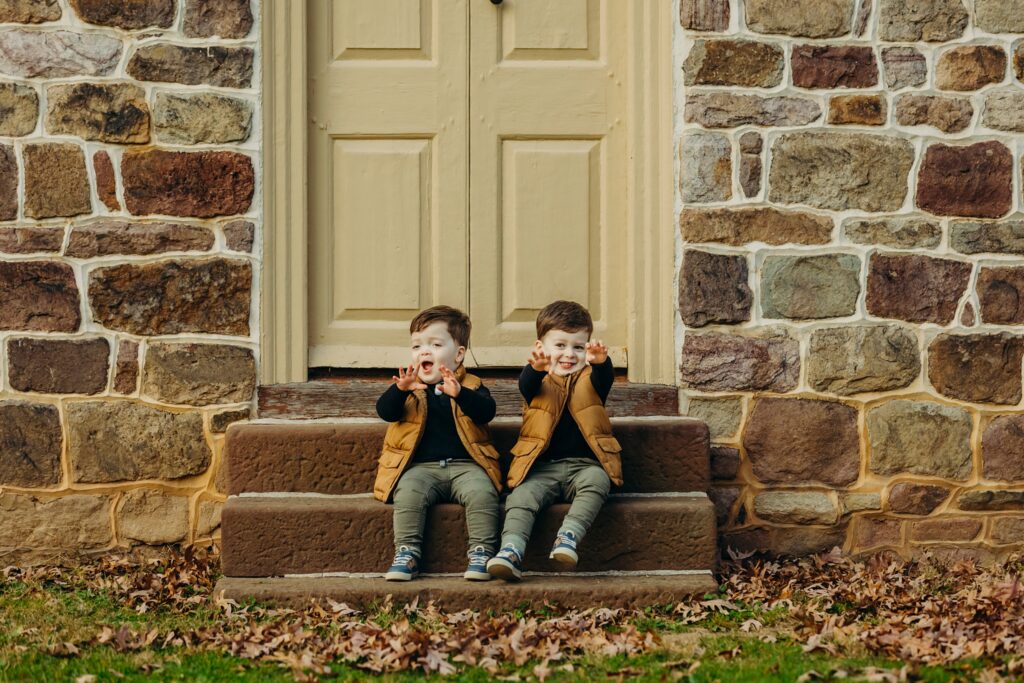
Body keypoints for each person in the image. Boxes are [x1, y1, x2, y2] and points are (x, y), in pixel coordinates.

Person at [487, 300, 623, 581]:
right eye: (560, 345)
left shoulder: (591, 380)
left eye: (578, 347)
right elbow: (526, 385)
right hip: (541, 468)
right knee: (521, 498)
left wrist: (601, 363)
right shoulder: (537, 381)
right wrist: (536, 368)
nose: (569, 354)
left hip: (585, 465)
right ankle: (511, 549)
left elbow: (604, 378)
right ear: (541, 347)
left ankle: (568, 535)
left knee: (598, 481)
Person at [374, 305, 502, 581]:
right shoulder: (409, 389)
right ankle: (407, 553)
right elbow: (386, 412)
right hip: (421, 468)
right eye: (417, 345)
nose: (424, 351)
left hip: (467, 466)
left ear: (458, 354)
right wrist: (399, 390)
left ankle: (481, 552)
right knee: (407, 494)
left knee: (482, 493)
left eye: (435, 344)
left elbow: (486, 412)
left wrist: (460, 395)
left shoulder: (473, 386)